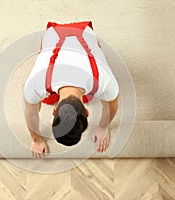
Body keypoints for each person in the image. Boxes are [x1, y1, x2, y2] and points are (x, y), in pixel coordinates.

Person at [23, 21, 119, 159]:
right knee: (35, 98)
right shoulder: (36, 83)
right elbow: (112, 105)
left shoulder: (104, 81)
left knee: (35, 98)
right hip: (56, 35)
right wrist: (36, 140)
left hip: (84, 33)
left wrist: (103, 128)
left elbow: (113, 105)